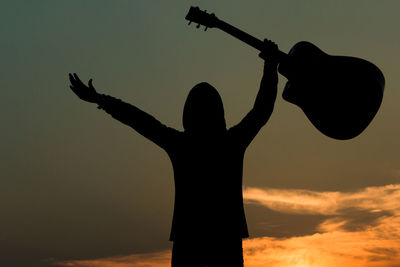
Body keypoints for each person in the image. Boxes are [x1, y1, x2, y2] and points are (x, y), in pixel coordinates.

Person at [68, 40, 279, 267]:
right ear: (219, 113)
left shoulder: (183, 145)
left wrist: (101, 99)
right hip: (223, 236)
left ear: (188, 115)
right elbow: (262, 110)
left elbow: (140, 120)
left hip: (190, 238)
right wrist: (270, 65)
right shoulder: (230, 143)